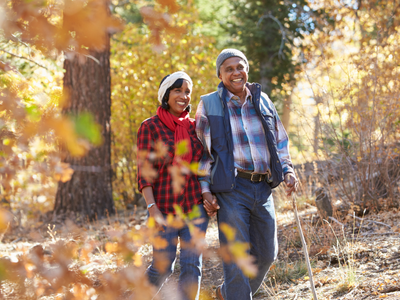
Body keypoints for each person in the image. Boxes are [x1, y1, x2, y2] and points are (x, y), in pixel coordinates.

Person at [195, 49, 298, 300]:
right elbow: (201, 153)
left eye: (239, 67)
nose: (235, 73)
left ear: (247, 69)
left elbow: (280, 141)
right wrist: (205, 189)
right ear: (219, 74)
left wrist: (288, 169)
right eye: (228, 69)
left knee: (266, 255)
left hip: (262, 187)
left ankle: (226, 294)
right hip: (231, 188)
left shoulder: (262, 101)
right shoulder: (209, 104)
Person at [137, 71, 209, 300]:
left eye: (187, 92)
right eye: (178, 90)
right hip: (163, 209)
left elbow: (204, 164)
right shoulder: (150, 127)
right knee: (162, 267)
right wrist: (152, 209)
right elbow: (145, 174)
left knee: (192, 266)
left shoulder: (195, 127)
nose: (184, 96)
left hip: (194, 207)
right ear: (166, 94)